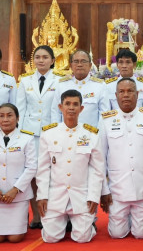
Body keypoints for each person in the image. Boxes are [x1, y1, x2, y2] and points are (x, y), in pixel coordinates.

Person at [36, 89, 104, 243]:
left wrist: (93, 196)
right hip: (56, 195)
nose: (71, 108)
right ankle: (64, 222)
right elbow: (43, 168)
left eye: (75, 104)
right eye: (67, 104)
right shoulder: (49, 133)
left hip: (80, 195)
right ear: (61, 107)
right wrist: (42, 196)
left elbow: (97, 169)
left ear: (81, 108)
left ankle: (87, 223)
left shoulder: (91, 135)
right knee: (51, 238)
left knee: (83, 238)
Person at [100, 78, 143, 239]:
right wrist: (104, 190)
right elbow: (100, 156)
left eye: (130, 91)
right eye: (122, 92)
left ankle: (138, 218)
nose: (126, 95)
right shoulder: (106, 119)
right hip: (118, 189)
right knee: (117, 234)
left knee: (141, 234)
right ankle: (125, 218)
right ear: (116, 95)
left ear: (137, 94)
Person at [17, 45, 63, 229]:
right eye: (37, 57)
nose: (41, 60)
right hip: (29, 135)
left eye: (45, 57)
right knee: (33, 175)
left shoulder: (60, 81)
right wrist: (19, 137)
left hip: (52, 134)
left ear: (52, 60)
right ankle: (36, 216)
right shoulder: (25, 81)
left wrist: (57, 133)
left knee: (53, 174)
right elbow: (20, 109)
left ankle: (53, 215)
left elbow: (59, 110)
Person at [0, 103, 37, 243]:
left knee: (15, 238)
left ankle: (23, 219)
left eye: (9, 115)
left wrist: (15, 190)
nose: (5, 119)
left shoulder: (27, 138)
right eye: (1, 116)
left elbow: (32, 167)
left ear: (17, 118)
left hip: (18, 195)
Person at [51, 49, 110, 127]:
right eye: (76, 61)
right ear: (71, 66)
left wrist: (98, 136)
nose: (79, 64)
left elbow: (104, 114)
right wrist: (56, 133)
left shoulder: (100, 86)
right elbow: (56, 112)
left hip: (90, 136)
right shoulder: (62, 85)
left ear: (90, 65)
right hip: (66, 135)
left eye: (83, 61)